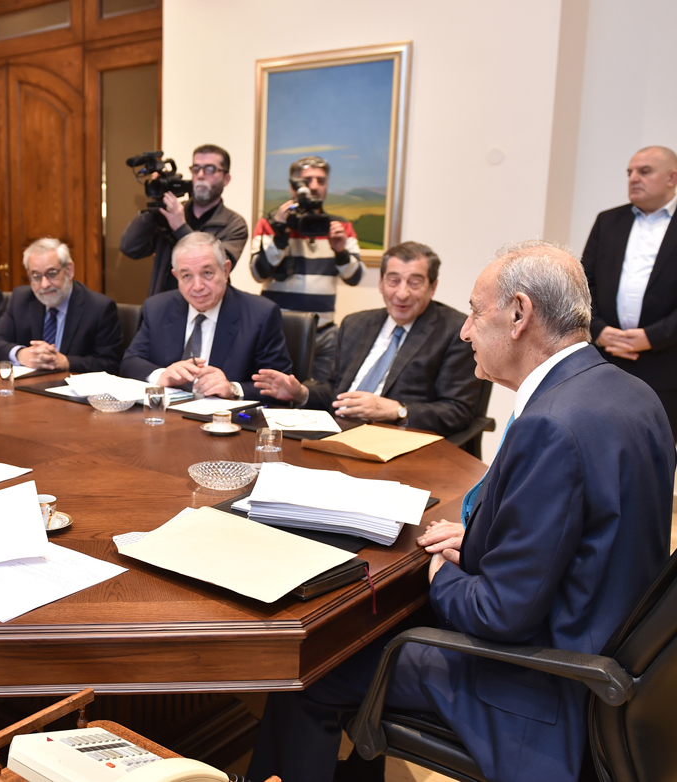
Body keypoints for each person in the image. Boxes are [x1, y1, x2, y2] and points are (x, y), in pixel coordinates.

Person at [248, 241, 674, 782]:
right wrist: (475, 541)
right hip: (608, 656)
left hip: (540, 686)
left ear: (519, 314)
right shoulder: (632, 393)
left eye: (475, 312)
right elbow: (582, 536)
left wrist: (439, 570)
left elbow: (498, 615)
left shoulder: (549, 426)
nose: (465, 331)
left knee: (312, 670)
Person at [252, 241, 482, 436]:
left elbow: (457, 411)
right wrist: (302, 393)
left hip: (394, 439)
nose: (402, 293)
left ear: (432, 287)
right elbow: (335, 391)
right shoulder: (356, 324)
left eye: (414, 282)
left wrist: (398, 411)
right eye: (393, 281)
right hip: (335, 433)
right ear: (381, 283)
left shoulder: (454, 331)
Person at [121, 232, 292, 400]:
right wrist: (161, 375)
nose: (197, 286)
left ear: (226, 270)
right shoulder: (158, 308)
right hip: (168, 414)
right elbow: (130, 363)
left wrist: (233, 389)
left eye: (207, 273)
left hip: (225, 416)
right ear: (176, 276)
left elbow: (279, 388)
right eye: (187, 276)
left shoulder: (260, 314)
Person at [581, 145, 677, 437]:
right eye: (630, 172)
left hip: (665, 363)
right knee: (595, 442)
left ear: (672, 178)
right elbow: (582, 283)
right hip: (604, 357)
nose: (634, 178)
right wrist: (599, 329)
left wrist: (652, 337)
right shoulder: (608, 221)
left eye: (644, 171)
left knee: (653, 449)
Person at [250, 156, 364, 382]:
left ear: (327, 185)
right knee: (273, 392)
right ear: (293, 187)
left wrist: (340, 251)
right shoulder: (270, 223)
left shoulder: (340, 225)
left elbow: (355, 277)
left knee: (322, 395)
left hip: (325, 332)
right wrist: (280, 236)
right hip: (279, 330)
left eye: (320, 181)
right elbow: (258, 273)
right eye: (307, 180)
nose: (314, 186)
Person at [120, 144, 249, 298]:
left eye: (210, 169)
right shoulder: (172, 212)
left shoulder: (234, 224)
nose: (200, 175)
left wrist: (180, 227)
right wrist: (155, 208)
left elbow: (219, 265)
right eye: (196, 169)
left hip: (207, 305)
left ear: (226, 179)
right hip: (164, 305)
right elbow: (130, 248)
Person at [0, 238, 122, 373]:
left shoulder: (99, 308)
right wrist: (21, 354)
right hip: (30, 384)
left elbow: (110, 364)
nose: (44, 284)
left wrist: (67, 362)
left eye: (52, 274)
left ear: (69, 270)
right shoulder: (21, 299)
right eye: (36, 276)